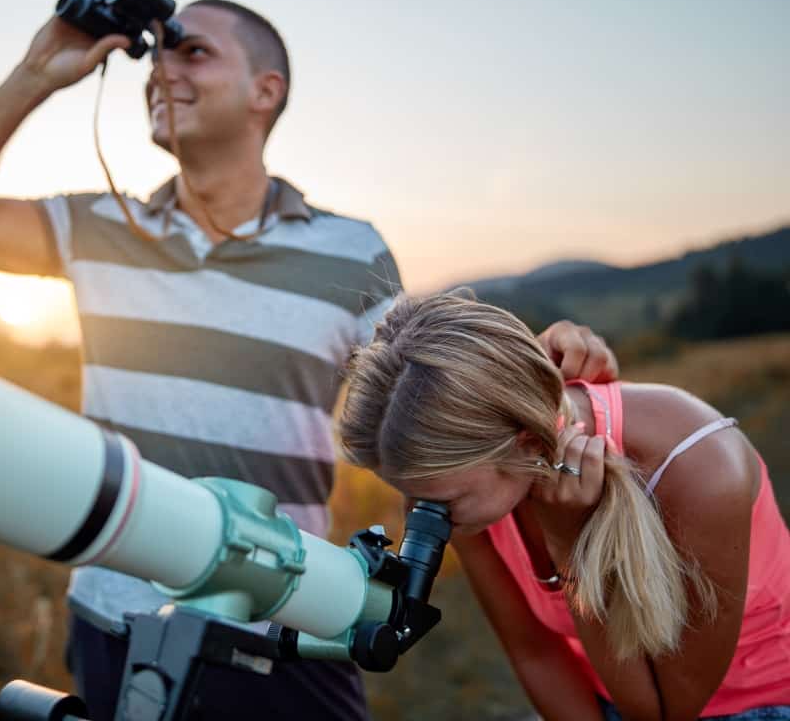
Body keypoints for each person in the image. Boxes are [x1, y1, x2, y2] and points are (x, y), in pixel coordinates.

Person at [0, 0, 620, 720]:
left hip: (288, 614)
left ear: (265, 92)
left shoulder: (349, 250)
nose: (160, 69)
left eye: (192, 50)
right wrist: (35, 74)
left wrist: (538, 363)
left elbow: (439, 401)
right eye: (157, 54)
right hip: (117, 617)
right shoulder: (98, 225)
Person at [338, 292, 790, 721]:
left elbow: (666, 712)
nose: (423, 517)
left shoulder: (702, 471)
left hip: (749, 704)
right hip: (600, 695)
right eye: (413, 497)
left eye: (440, 503)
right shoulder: (452, 486)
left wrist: (569, 543)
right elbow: (532, 650)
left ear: (529, 443)